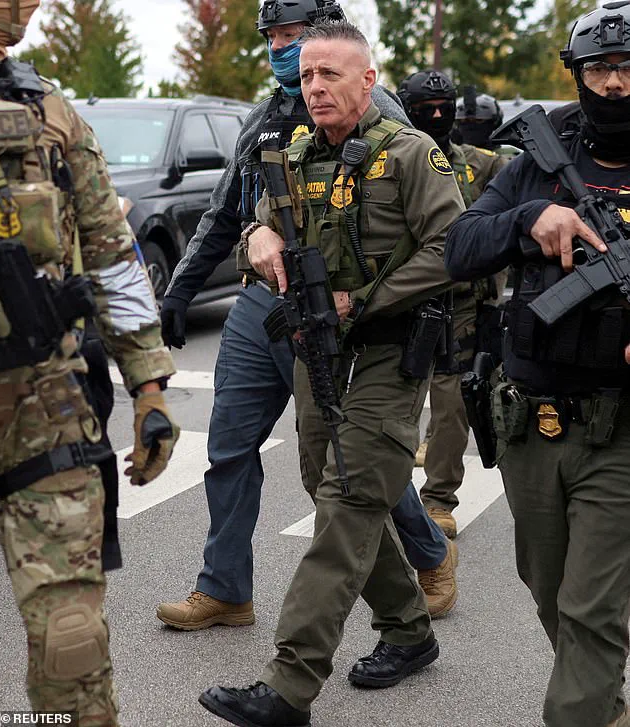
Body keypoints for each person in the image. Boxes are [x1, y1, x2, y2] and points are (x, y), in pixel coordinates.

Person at [157, 0, 455, 629]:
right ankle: (225, 588)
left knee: (352, 454)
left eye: (291, 35)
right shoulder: (264, 117)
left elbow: (420, 226)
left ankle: (429, 554)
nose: (281, 50)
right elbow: (227, 210)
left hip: (337, 307)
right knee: (229, 445)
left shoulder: (378, 114)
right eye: (273, 38)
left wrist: (369, 301)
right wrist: (180, 291)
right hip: (262, 302)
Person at [444, 3, 630, 725]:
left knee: (589, 607)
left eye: (628, 68)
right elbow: (460, 247)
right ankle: (602, 699)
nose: (614, 84)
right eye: (600, 68)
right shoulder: (538, 161)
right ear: (578, 74)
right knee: (548, 586)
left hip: (620, 431)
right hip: (531, 422)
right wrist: (530, 220)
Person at [0, 2, 179, 724]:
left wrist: (150, 387)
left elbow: (111, 253)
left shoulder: (50, 115)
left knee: (70, 644)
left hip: (44, 405)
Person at [398, 69, 508, 538]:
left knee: (450, 407)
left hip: (459, 305)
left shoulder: (481, 166)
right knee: (392, 405)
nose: (438, 116)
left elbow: (505, 221)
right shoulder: (389, 158)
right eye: (426, 110)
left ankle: (438, 499)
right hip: (402, 299)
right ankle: (386, 496)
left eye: (445, 108)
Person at [454, 86, 503, 150]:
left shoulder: (505, 154)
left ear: (494, 122)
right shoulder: (449, 152)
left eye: (478, 120)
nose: (470, 126)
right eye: (464, 121)